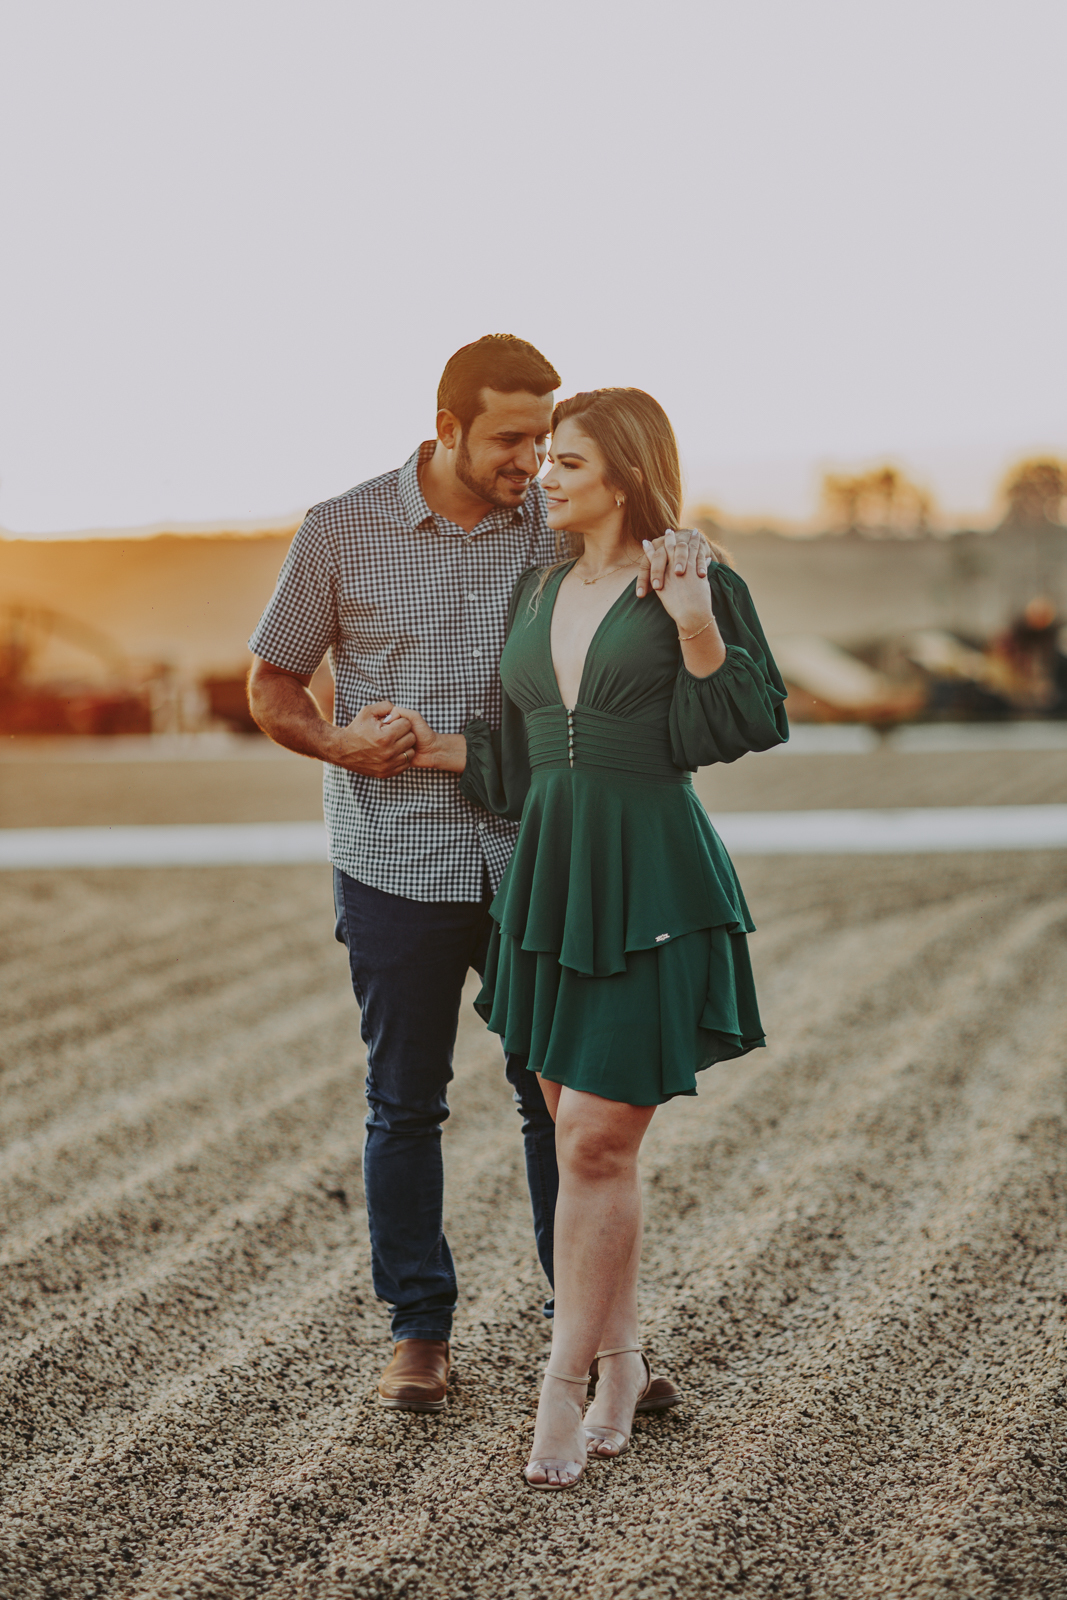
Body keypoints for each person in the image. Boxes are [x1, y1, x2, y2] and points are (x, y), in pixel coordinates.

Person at [246, 339, 699, 1415]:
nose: (529, 459)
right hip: (392, 859)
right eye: (508, 437)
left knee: (559, 1104)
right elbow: (271, 687)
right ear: (445, 427)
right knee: (403, 1103)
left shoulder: (553, 525)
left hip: (538, 858)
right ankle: (418, 1332)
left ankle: (581, 1335)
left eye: (543, 439)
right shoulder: (339, 529)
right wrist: (339, 745)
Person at [399, 387, 788, 1486]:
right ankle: (617, 1361)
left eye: (566, 460)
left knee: (593, 1147)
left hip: (651, 877)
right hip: (550, 884)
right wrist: (412, 746)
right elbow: (525, 763)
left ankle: (558, 1390)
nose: (545, 476)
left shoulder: (692, 581)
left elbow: (747, 723)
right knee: (584, 1141)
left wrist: (696, 622)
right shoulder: (536, 590)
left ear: (619, 473)